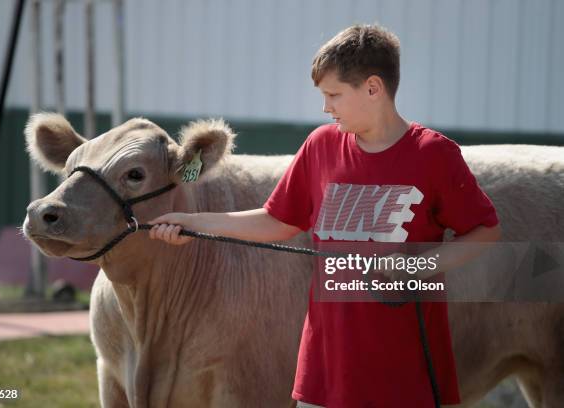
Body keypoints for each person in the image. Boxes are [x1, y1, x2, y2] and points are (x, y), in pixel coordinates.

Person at [149, 24, 501, 408]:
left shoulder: (434, 154)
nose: (325, 106)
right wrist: (192, 222)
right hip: (325, 374)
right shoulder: (320, 146)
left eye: (333, 94)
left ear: (372, 88)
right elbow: (276, 221)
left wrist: (418, 265)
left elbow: (485, 231)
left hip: (408, 375)